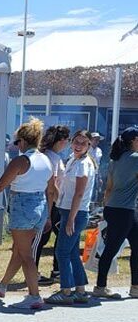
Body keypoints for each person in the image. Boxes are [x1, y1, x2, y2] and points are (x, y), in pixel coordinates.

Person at [0, 118, 56, 309]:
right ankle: (3, 285)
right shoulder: (46, 159)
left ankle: (34, 295)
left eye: (16, 142)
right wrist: (49, 215)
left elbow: (1, 185)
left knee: (26, 255)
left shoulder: (21, 160)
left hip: (23, 205)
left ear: (22, 141)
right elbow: (52, 190)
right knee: (19, 250)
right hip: (40, 206)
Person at [45, 130, 96, 305]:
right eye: (76, 142)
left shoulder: (83, 164)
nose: (79, 145)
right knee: (72, 252)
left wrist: (71, 218)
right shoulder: (74, 160)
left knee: (62, 251)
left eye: (83, 143)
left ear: (89, 145)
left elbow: (79, 193)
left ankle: (66, 292)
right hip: (69, 211)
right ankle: (80, 290)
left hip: (75, 212)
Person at [93, 126, 138, 299]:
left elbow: (109, 188)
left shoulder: (114, 160)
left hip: (116, 208)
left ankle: (135, 286)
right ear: (134, 140)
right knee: (112, 249)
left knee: (125, 247)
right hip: (125, 210)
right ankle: (100, 286)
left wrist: (105, 209)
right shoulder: (136, 159)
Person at [34, 125, 70, 285]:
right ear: (61, 141)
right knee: (44, 238)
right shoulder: (53, 158)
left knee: (48, 237)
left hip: (51, 203)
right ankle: (37, 272)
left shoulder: (48, 154)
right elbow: (52, 185)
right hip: (53, 203)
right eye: (67, 140)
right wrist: (59, 200)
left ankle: (53, 270)